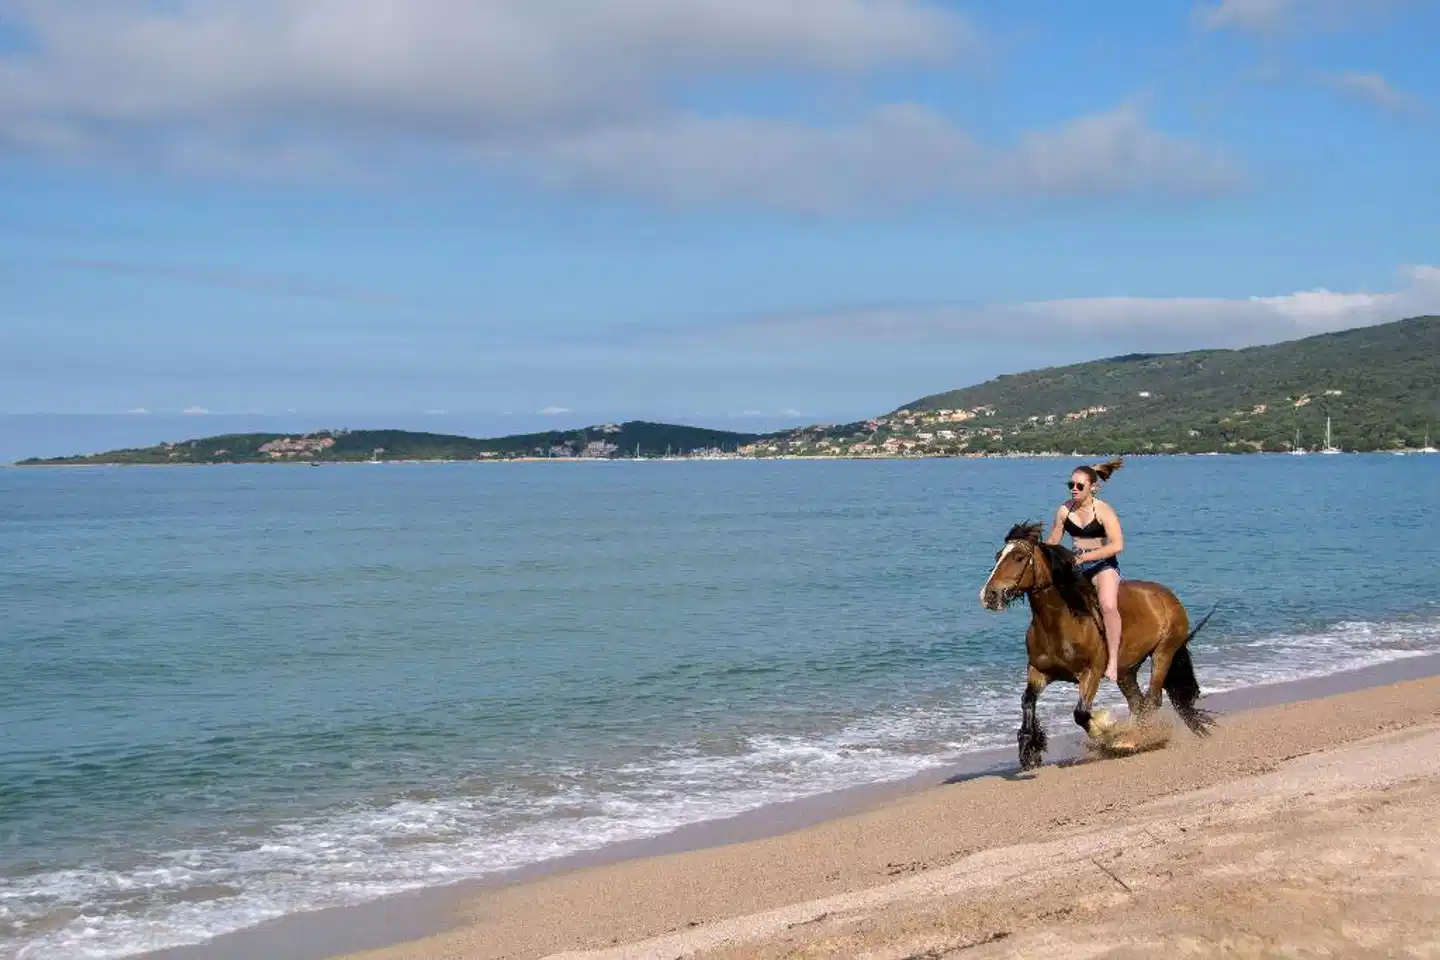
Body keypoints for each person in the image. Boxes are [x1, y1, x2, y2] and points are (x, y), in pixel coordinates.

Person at [1046, 457, 1125, 683]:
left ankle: (1112, 662)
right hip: (1075, 565)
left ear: (1093, 487)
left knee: (1108, 606)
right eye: (1070, 485)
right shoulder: (1064, 510)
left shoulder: (1103, 510)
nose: (1074, 489)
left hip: (1102, 564)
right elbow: (1053, 540)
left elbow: (1117, 545)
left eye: (1079, 486)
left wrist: (1086, 557)